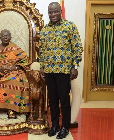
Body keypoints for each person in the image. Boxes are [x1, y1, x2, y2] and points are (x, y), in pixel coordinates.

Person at [39, 2, 83, 139]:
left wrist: (75, 66)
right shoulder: (45, 29)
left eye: (55, 12)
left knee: (64, 100)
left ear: (60, 11)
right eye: (50, 13)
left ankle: (65, 127)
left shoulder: (69, 26)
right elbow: (42, 49)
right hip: (49, 71)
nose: (53, 15)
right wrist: (42, 67)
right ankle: (54, 126)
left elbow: (77, 47)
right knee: (52, 100)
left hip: (64, 70)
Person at [0, 29, 31, 119]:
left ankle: (11, 109)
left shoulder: (15, 48)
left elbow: (24, 61)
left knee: (14, 80)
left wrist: (14, 68)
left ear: (10, 37)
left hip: (12, 70)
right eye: (3, 36)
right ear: (0, 38)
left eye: (7, 35)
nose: (6, 37)